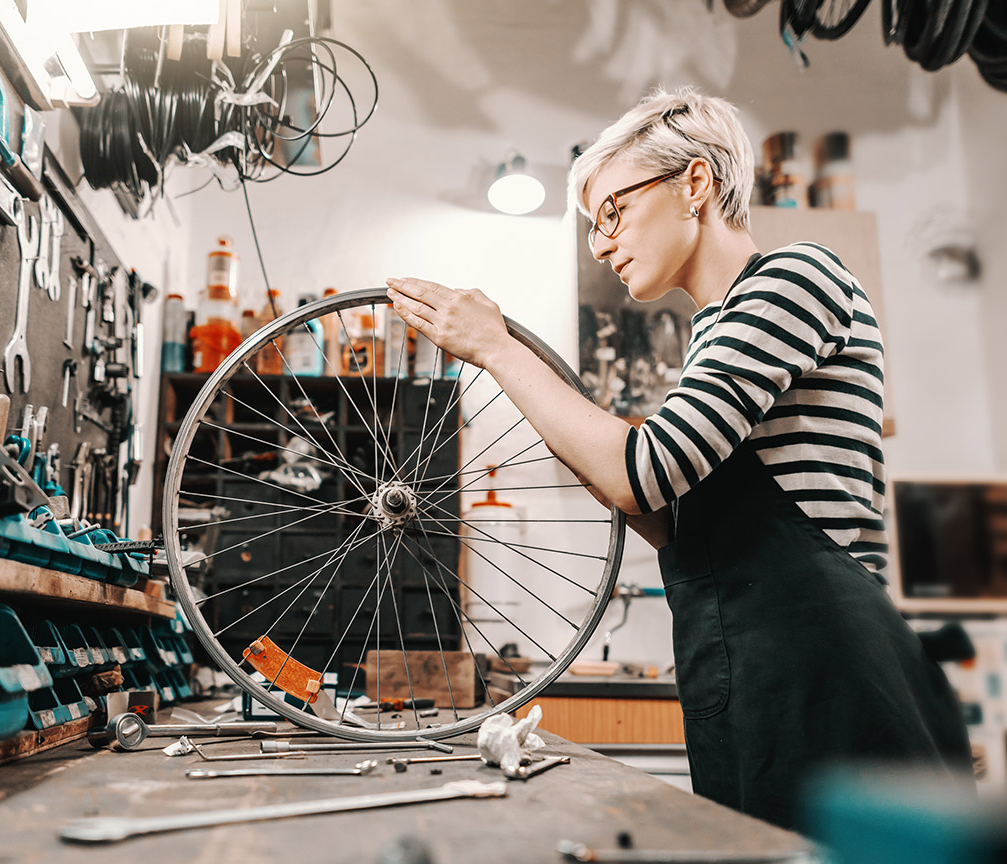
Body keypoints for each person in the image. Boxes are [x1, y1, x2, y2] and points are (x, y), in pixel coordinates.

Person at [386, 87, 972, 830]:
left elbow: (647, 469)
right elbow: (675, 520)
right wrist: (592, 461)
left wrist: (496, 348)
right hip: (750, 670)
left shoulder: (795, 278)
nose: (600, 244)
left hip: (834, 673)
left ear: (694, 183)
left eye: (612, 212)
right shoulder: (712, 332)